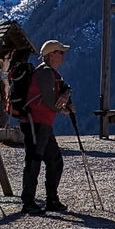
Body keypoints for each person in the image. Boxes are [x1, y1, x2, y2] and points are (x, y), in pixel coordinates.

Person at [21, 39, 74, 213]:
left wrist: (65, 97)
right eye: (61, 52)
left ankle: (51, 199)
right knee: (35, 160)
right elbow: (51, 103)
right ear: (51, 55)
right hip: (36, 123)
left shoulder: (49, 73)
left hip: (42, 123)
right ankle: (29, 202)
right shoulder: (45, 73)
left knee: (54, 160)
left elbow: (52, 100)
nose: (63, 55)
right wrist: (64, 106)